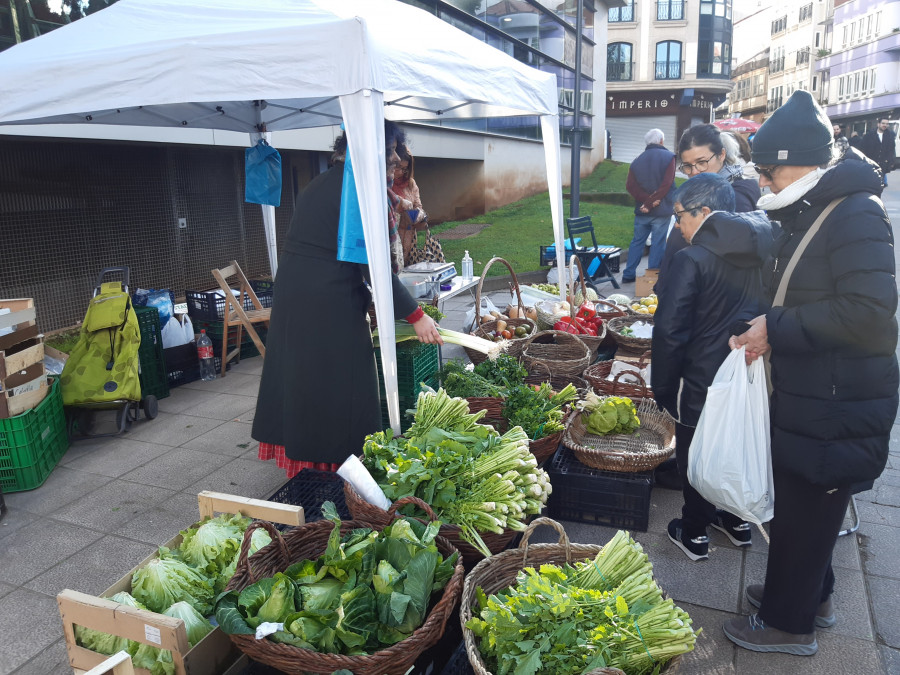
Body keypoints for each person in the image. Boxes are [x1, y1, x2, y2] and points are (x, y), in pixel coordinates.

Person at [726, 90, 898, 655]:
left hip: (836, 403)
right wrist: (771, 322)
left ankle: (787, 625)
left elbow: (870, 313)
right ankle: (810, 596)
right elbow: (808, 292)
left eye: (768, 169)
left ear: (801, 161)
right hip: (819, 395)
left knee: (807, 514)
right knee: (807, 511)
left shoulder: (856, 213)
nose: (764, 180)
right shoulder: (820, 206)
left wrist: (776, 327)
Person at [253, 121, 443, 477]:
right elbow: (375, 267)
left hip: (300, 296)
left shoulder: (327, 181)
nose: (394, 164)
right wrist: (417, 315)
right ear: (375, 153)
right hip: (325, 302)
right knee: (340, 384)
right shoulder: (358, 190)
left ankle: (312, 465)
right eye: (390, 157)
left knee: (305, 381)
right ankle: (333, 470)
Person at [651, 173, 775, 562]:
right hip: (747, 371)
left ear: (704, 212)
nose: (679, 226)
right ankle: (736, 521)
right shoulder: (761, 249)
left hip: (700, 376)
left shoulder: (691, 259)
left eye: (681, 216)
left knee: (697, 451)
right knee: (733, 443)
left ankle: (693, 531)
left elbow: (669, 332)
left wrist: (664, 389)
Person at [656, 124, 763, 298]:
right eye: (688, 166)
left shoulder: (735, 197)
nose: (695, 172)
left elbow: (725, 265)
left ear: (721, 155)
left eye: (702, 162)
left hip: (703, 306)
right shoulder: (703, 191)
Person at [621, 128, 677, 283]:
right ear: (661, 141)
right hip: (662, 210)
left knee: (637, 242)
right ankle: (652, 277)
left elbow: (630, 186)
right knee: (658, 243)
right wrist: (652, 201)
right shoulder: (669, 157)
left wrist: (646, 201)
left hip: (642, 211)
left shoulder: (637, 160)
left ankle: (628, 274)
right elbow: (667, 184)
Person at [392, 144, 429, 263]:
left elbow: (419, 207)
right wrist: (400, 204)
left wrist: (418, 215)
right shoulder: (384, 183)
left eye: (404, 168)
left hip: (409, 246)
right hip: (390, 244)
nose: (400, 172)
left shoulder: (410, 184)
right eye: (398, 167)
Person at [861, 116, 896, 186]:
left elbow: (892, 149)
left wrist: (890, 161)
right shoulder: (869, 135)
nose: (885, 125)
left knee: (880, 185)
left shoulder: (890, 136)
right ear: (878, 124)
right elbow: (863, 148)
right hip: (871, 163)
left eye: (887, 124)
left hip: (883, 165)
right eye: (883, 123)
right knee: (869, 183)